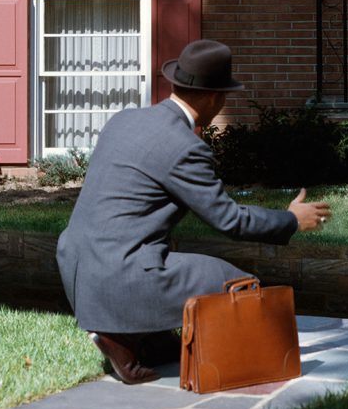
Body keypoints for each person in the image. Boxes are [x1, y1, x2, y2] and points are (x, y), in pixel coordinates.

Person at [56, 39, 331, 385]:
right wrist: (292, 219)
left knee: (174, 255)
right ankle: (118, 338)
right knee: (242, 287)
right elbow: (229, 220)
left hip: (77, 266)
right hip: (121, 272)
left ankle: (147, 336)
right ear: (216, 98)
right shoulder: (185, 147)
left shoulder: (124, 120)